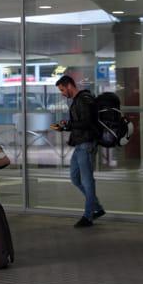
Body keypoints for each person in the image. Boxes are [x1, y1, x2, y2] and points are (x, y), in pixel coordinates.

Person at [53, 74, 104, 228]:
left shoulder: (84, 99)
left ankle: (88, 216)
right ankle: (97, 207)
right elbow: (80, 122)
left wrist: (69, 125)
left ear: (69, 85)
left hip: (86, 144)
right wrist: (67, 125)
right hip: (80, 144)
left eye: (62, 90)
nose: (62, 93)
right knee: (75, 178)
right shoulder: (78, 100)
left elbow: (88, 122)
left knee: (87, 181)